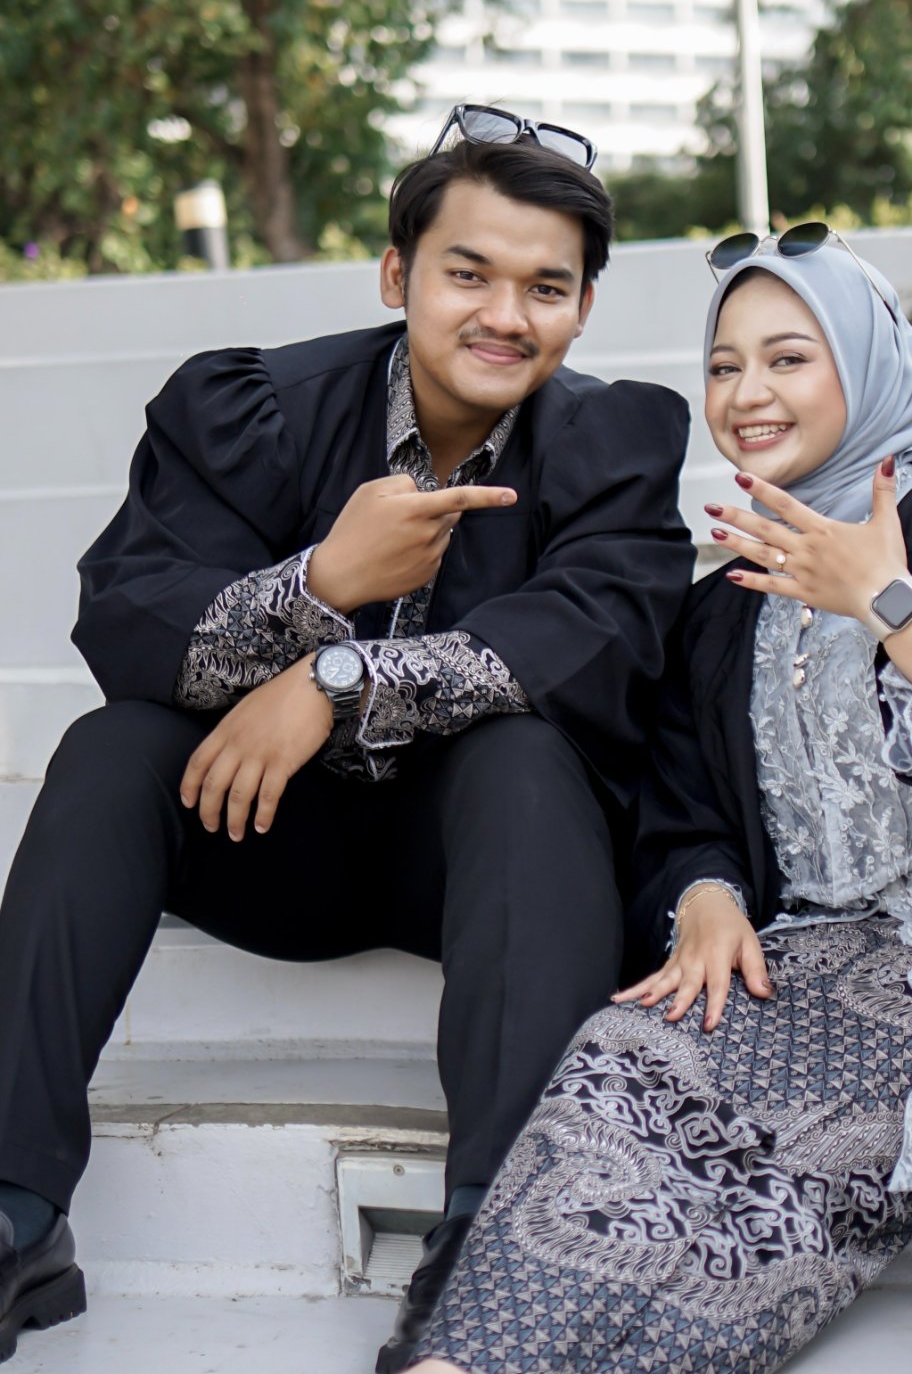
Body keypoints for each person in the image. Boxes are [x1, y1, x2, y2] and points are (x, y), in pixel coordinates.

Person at [401, 228, 912, 1374]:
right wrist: (705, 896)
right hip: (808, 955)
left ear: (866, 366)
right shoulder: (728, 599)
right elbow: (683, 801)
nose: (747, 394)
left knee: (768, 1165)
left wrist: (889, 603)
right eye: (724, 366)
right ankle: (455, 1361)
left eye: (788, 358)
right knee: (625, 1051)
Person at [0, 105, 696, 1370]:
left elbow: (594, 645)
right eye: (467, 273)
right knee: (110, 750)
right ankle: (13, 1208)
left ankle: (495, 1249)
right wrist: (322, 580)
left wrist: (333, 676)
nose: (505, 315)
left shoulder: (609, 445)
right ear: (396, 275)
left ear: (585, 307)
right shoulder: (255, 411)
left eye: (546, 287)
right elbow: (129, 619)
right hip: (268, 833)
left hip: (489, 872)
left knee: (526, 757)